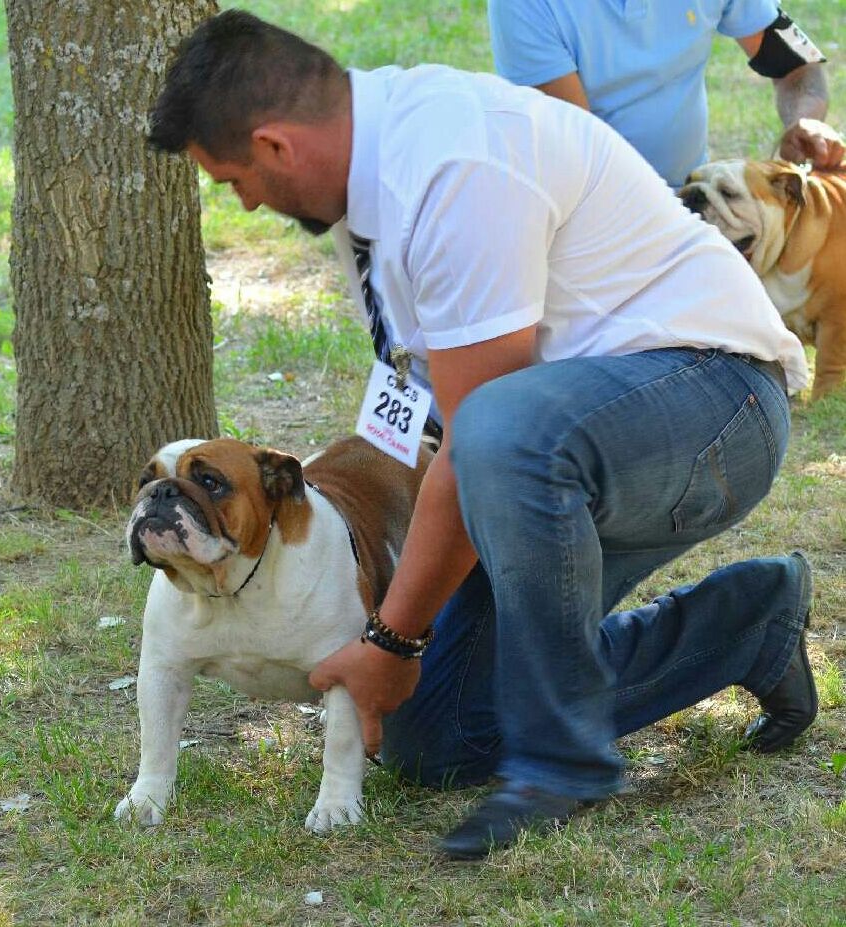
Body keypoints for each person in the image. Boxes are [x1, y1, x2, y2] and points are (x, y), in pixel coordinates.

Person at [148, 11, 818, 859]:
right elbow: (425, 414)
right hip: (572, 449)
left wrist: (390, 638)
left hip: (713, 404)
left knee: (500, 429)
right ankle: (742, 621)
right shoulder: (374, 185)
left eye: (233, 178)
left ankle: (561, 758)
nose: (245, 201)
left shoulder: (453, 166)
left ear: (276, 146)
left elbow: (480, 439)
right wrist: (388, 634)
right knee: (431, 734)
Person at [488, 0, 844, 189]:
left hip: (691, 198)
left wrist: (805, 123)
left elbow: (798, 67)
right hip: (586, 212)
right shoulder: (524, 5)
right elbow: (579, 157)